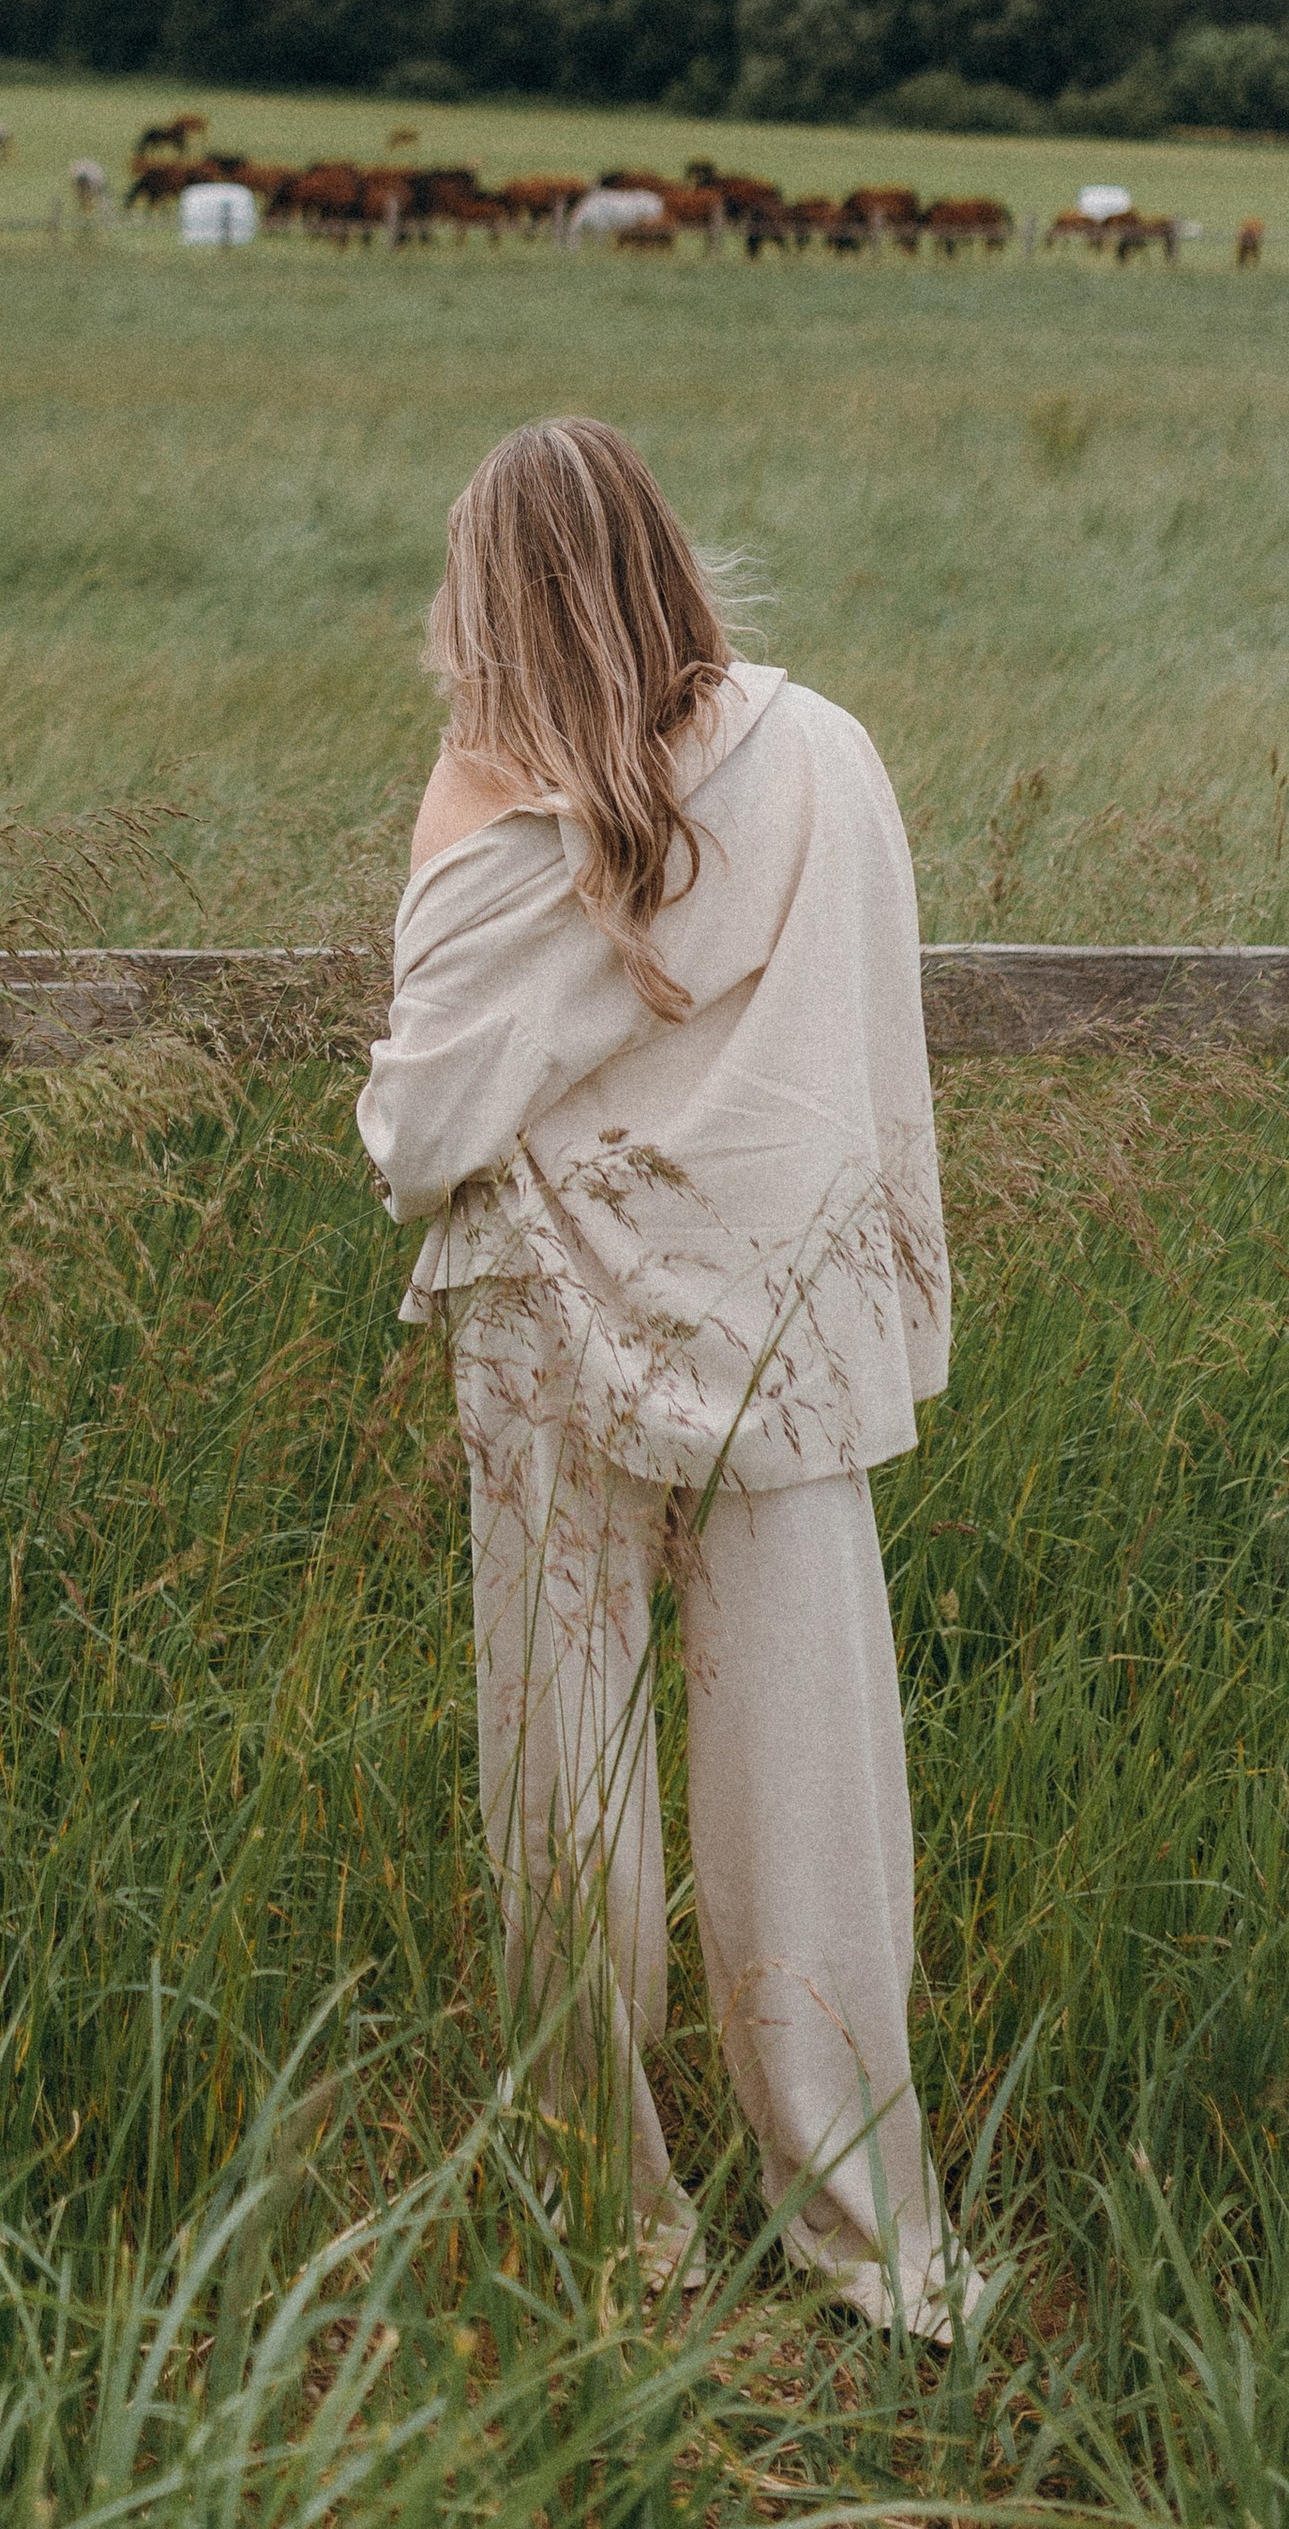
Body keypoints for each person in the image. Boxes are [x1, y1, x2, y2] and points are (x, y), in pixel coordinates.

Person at [356, 416, 973, 2339]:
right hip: (782, 1330)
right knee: (814, 1798)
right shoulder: (827, 753)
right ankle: (872, 2239)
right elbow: (870, 1035)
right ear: (665, 556)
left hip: (553, 1341)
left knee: (568, 1793)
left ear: (488, 599)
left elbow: (417, 1128)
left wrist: (444, 833)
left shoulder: (499, 817)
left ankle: (612, 2224)